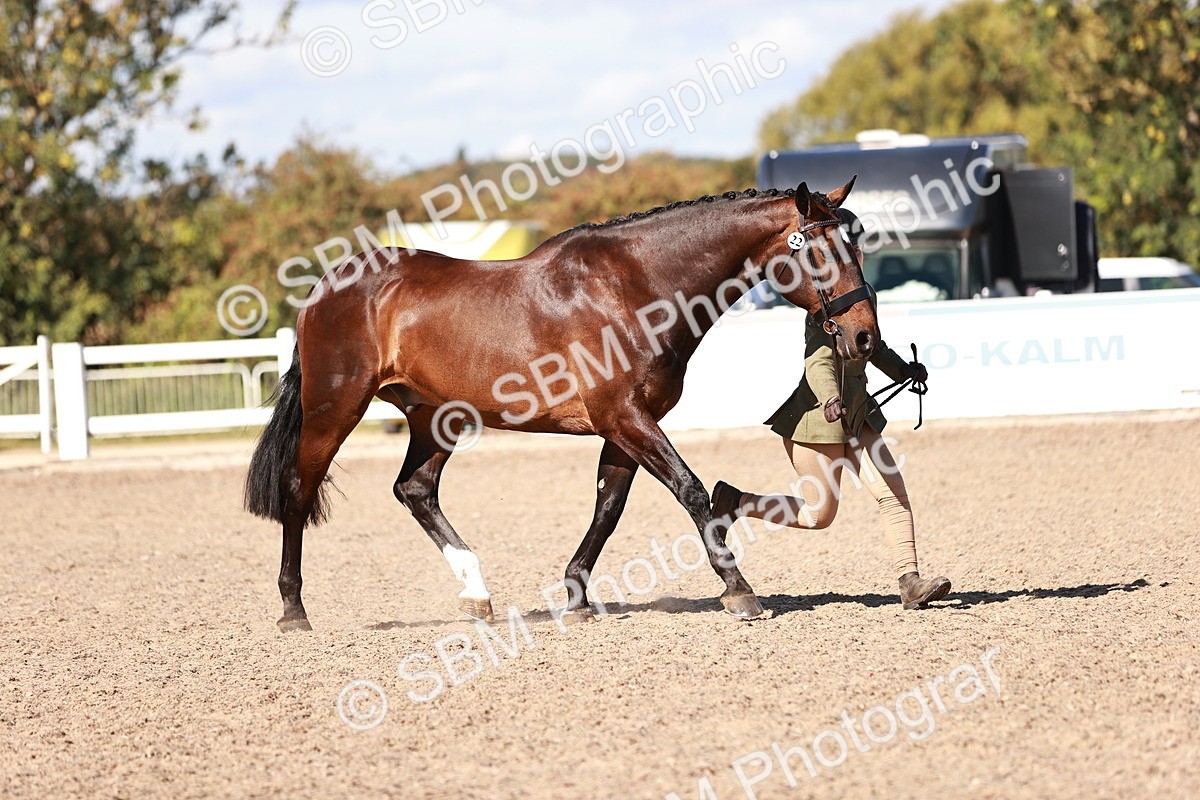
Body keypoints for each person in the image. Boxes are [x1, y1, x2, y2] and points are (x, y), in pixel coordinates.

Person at [711, 306, 952, 610]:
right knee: (819, 515)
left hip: (857, 415)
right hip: (818, 419)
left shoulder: (864, 295)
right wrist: (829, 396)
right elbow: (818, 362)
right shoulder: (819, 308)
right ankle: (737, 502)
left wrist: (903, 370)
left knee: (893, 493)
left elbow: (872, 345)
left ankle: (911, 583)